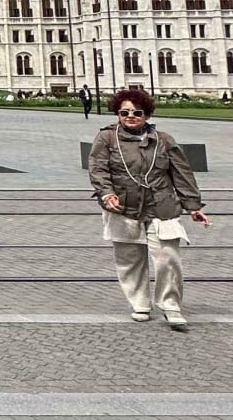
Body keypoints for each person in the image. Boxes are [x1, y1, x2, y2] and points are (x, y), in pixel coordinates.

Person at [88, 89, 210, 332]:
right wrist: (106, 193)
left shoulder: (163, 140)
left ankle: (171, 305)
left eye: (136, 112)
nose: (130, 116)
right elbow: (98, 170)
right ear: (118, 114)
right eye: (124, 112)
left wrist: (193, 206)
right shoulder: (106, 139)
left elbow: (182, 174)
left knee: (168, 257)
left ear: (147, 114)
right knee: (129, 260)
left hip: (161, 204)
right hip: (123, 206)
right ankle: (140, 303)